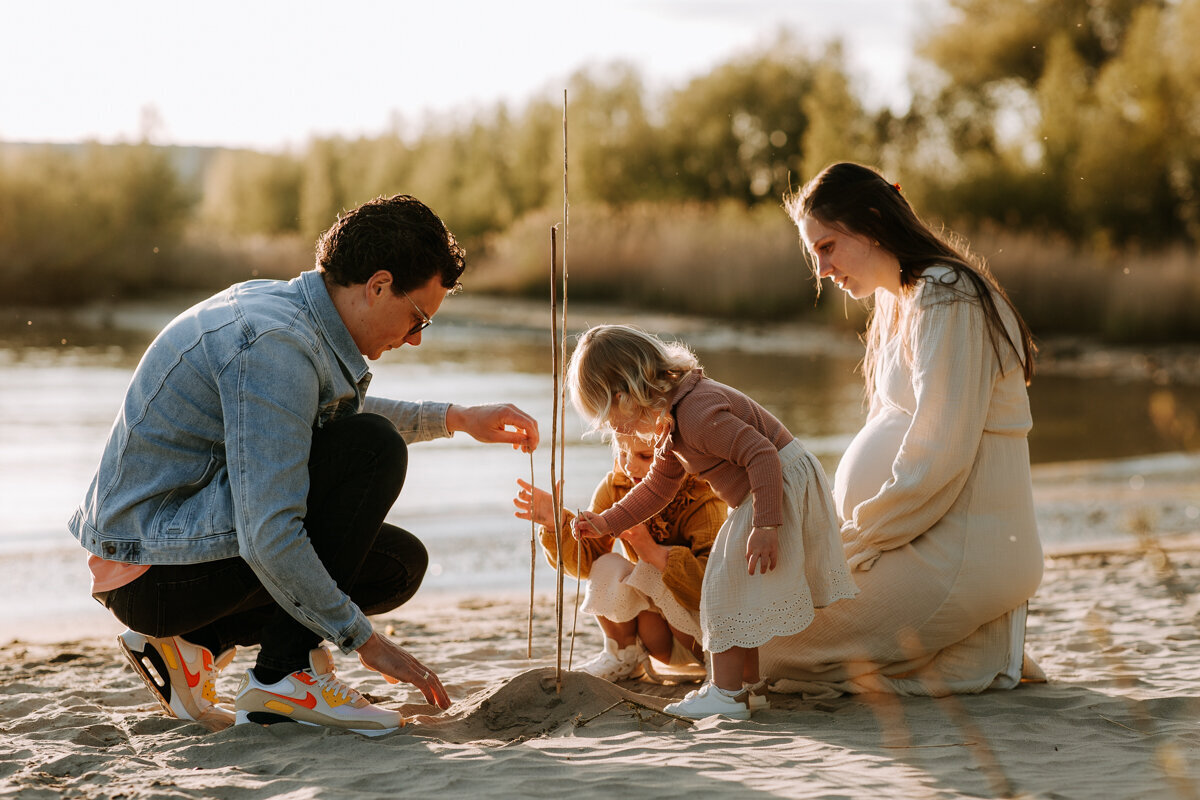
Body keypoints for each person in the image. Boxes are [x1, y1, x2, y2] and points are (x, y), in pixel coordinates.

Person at [68, 194, 539, 736]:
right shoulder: (274, 344)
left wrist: (456, 417)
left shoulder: (285, 312)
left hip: (163, 551)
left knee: (397, 564)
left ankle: (197, 645)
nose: (414, 339)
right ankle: (281, 679)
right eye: (418, 318)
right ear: (379, 285)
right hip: (152, 574)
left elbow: (309, 413)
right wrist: (363, 639)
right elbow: (270, 530)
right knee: (372, 449)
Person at [764, 161, 1044, 696]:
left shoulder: (949, 295)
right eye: (813, 253)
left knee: (758, 644)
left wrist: (856, 539)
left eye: (827, 247)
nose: (820, 270)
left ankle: (965, 638)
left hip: (950, 548)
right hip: (914, 540)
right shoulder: (900, 301)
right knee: (761, 621)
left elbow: (940, 454)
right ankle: (968, 647)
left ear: (870, 224)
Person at [569, 325, 858, 719]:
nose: (614, 431)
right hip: (763, 492)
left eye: (609, 419)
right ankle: (747, 686)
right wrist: (606, 523)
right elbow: (657, 487)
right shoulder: (672, 420)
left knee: (720, 589)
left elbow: (763, 456)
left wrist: (766, 525)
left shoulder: (697, 413)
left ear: (623, 395)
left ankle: (724, 694)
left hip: (774, 486)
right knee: (740, 590)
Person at [513, 432, 726, 681]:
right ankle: (622, 654)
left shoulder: (703, 495)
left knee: (654, 564)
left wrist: (653, 552)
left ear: (679, 458)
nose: (629, 465)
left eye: (645, 456)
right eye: (623, 453)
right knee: (607, 564)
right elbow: (586, 564)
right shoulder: (618, 484)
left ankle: (716, 673)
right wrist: (557, 524)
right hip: (660, 641)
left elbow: (715, 589)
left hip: (703, 637)